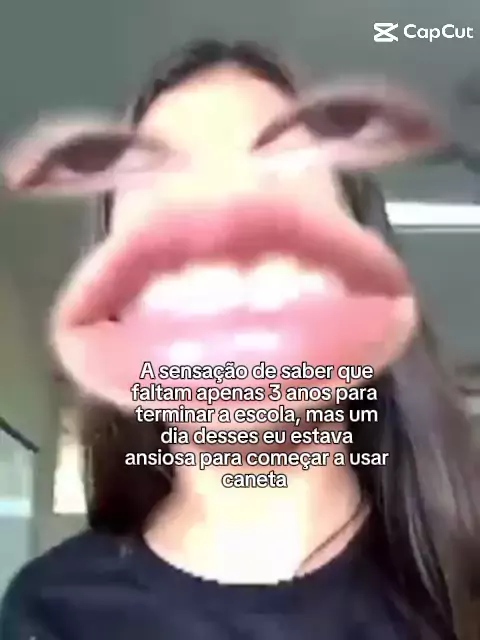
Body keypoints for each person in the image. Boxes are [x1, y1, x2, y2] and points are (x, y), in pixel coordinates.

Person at [1, 38, 479, 640]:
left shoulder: (463, 588)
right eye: (164, 206)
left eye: (278, 184)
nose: (224, 255)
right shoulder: (50, 614)